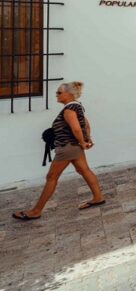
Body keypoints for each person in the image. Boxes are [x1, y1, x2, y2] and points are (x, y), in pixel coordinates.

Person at [13, 82, 105, 221]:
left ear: (69, 94)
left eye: (59, 92)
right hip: (74, 147)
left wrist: (83, 142)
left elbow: (76, 129)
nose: (56, 95)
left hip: (67, 147)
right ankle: (98, 197)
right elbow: (85, 124)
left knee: (51, 177)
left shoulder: (69, 110)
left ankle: (36, 211)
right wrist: (87, 139)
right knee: (84, 170)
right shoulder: (77, 106)